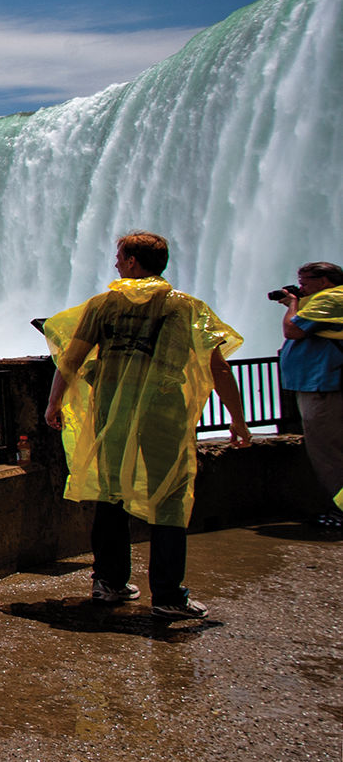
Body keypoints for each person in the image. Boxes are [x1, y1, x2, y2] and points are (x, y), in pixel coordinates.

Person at [42, 231, 249, 618]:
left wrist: (54, 402)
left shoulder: (104, 305)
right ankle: (169, 596)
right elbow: (217, 367)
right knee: (169, 499)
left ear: (134, 262)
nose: (115, 263)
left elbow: (71, 358)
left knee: (111, 493)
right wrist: (237, 420)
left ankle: (109, 583)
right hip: (162, 413)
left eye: (119, 256)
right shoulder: (184, 307)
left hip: (111, 414)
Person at [277, 261, 343, 507]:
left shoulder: (330, 299)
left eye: (304, 282)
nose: (301, 288)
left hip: (323, 386)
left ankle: (339, 511)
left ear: (324, 281)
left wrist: (292, 304)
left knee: (328, 454)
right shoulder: (332, 299)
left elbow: (292, 329)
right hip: (324, 384)